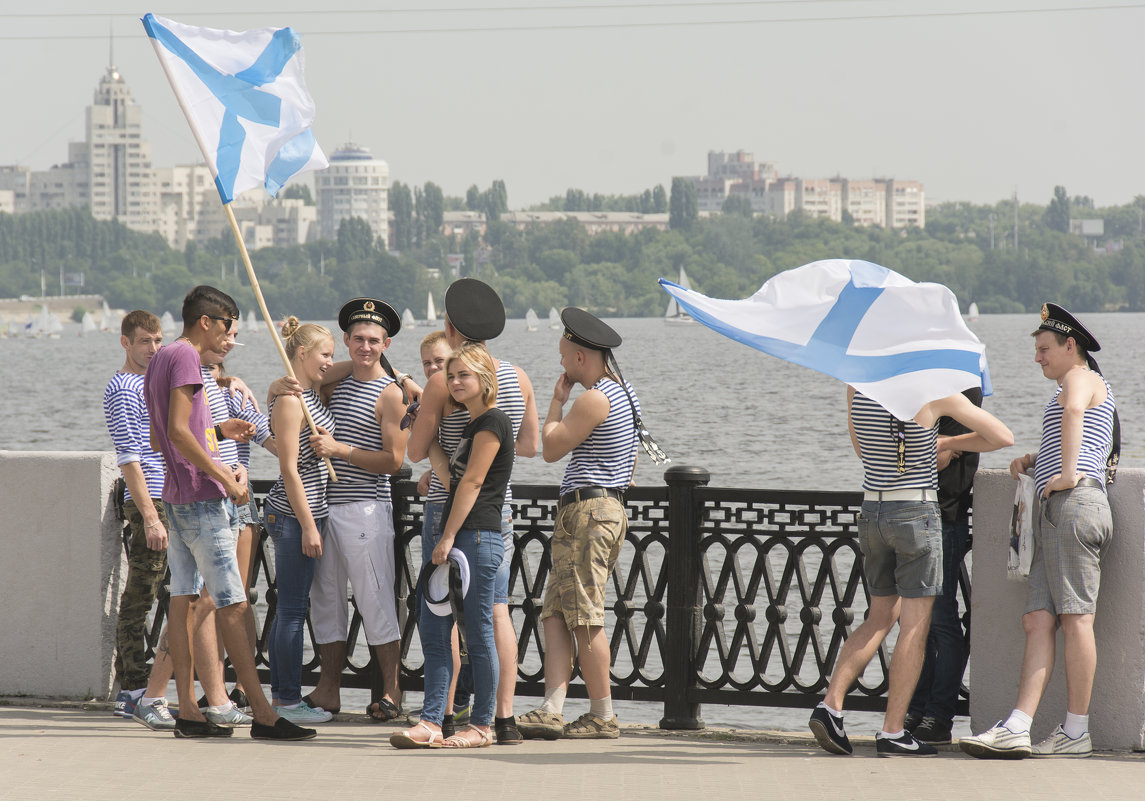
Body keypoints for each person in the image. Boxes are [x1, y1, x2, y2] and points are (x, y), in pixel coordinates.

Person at [143, 284, 315, 741]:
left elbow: (166, 437)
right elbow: (179, 433)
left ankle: (188, 712)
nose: (229, 341)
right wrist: (222, 476)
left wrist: (217, 429)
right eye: (227, 329)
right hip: (202, 499)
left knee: (183, 600)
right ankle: (262, 712)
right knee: (233, 603)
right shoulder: (185, 358)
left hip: (176, 497)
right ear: (207, 321)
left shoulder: (159, 357)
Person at [809, 385, 1012, 757]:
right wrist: (943, 441)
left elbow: (861, 451)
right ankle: (892, 731)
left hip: (873, 511)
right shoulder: (934, 396)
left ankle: (831, 706)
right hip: (916, 513)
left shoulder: (860, 391)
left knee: (878, 618)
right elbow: (1002, 436)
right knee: (915, 627)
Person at [960, 303, 1116, 760]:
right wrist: (1038, 460)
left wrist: (1066, 473)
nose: (1038, 358)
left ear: (1072, 346)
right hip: (1058, 509)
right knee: (1039, 620)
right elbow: (1078, 427)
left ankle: (1075, 731)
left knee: (1075, 618)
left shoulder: (1080, 377)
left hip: (1074, 504)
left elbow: (1073, 414)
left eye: (1044, 348)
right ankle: (1019, 725)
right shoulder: (1078, 384)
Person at [407, 278, 538, 745]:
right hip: (497, 514)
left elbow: (416, 450)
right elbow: (529, 446)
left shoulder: (444, 380)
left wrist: (446, 461)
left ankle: (442, 716)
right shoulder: (518, 376)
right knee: (494, 613)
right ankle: (502, 717)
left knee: (441, 611)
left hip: (452, 509)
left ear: (449, 325)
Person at [516, 308, 644, 741]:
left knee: (585, 615)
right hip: (603, 510)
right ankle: (552, 708)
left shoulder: (594, 397)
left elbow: (549, 448)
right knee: (555, 612)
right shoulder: (628, 394)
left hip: (587, 514)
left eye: (564, 356)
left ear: (582, 358)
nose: (562, 364)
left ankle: (602, 713)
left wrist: (556, 399)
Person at [391, 343, 514, 749]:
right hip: (458, 535)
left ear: (485, 381)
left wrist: (445, 538)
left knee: (477, 632)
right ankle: (430, 721)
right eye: (452, 375)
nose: (456, 382)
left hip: (476, 537)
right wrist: (429, 444)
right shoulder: (468, 424)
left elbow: (473, 485)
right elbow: (450, 478)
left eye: (465, 375)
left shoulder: (492, 423)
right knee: (433, 626)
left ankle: (481, 725)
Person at [302, 298, 408, 722]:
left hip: (367, 509)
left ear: (386, 343)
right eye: (358, 339)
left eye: (374, 340)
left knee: (376, 601)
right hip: (325, 509)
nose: (365, 347)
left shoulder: (393, 394)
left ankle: (392, 692)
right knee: (326, 601)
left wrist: (339, 449)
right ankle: (328, 689)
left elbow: (394, 461)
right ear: (346, 340)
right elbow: (301, 376)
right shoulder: (333, 384)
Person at [262, 317, 338, 725]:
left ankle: (287, 696)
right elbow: (289, 468)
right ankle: (287, 700)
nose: (330, 361)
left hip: (310, 511)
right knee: (291, 609)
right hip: (294, 514)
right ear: (303, 354)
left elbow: (353, 369)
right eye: (324, 354)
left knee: (295, 607)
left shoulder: (308, 392)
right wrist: (309, 525)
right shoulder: (294, 401)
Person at [104, 310, 174, 726]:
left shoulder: (152, 383)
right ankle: (130, 688)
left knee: (177, 593)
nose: (153, 349)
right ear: (126, 343)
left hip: (169, 493)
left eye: (158, 340)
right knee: (142, 593)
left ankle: (152, 686)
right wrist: (149, 516)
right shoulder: (124, 388)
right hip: (148, 498)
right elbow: (129, 456)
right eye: (145, 341)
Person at [904, 387, 983, 745]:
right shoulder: (930, 391)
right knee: (919, 621)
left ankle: (938, 714)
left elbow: (935, 455)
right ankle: (918, 708)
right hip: (916, 512)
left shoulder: (963, 392)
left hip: (944, 515)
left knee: (940, 619)